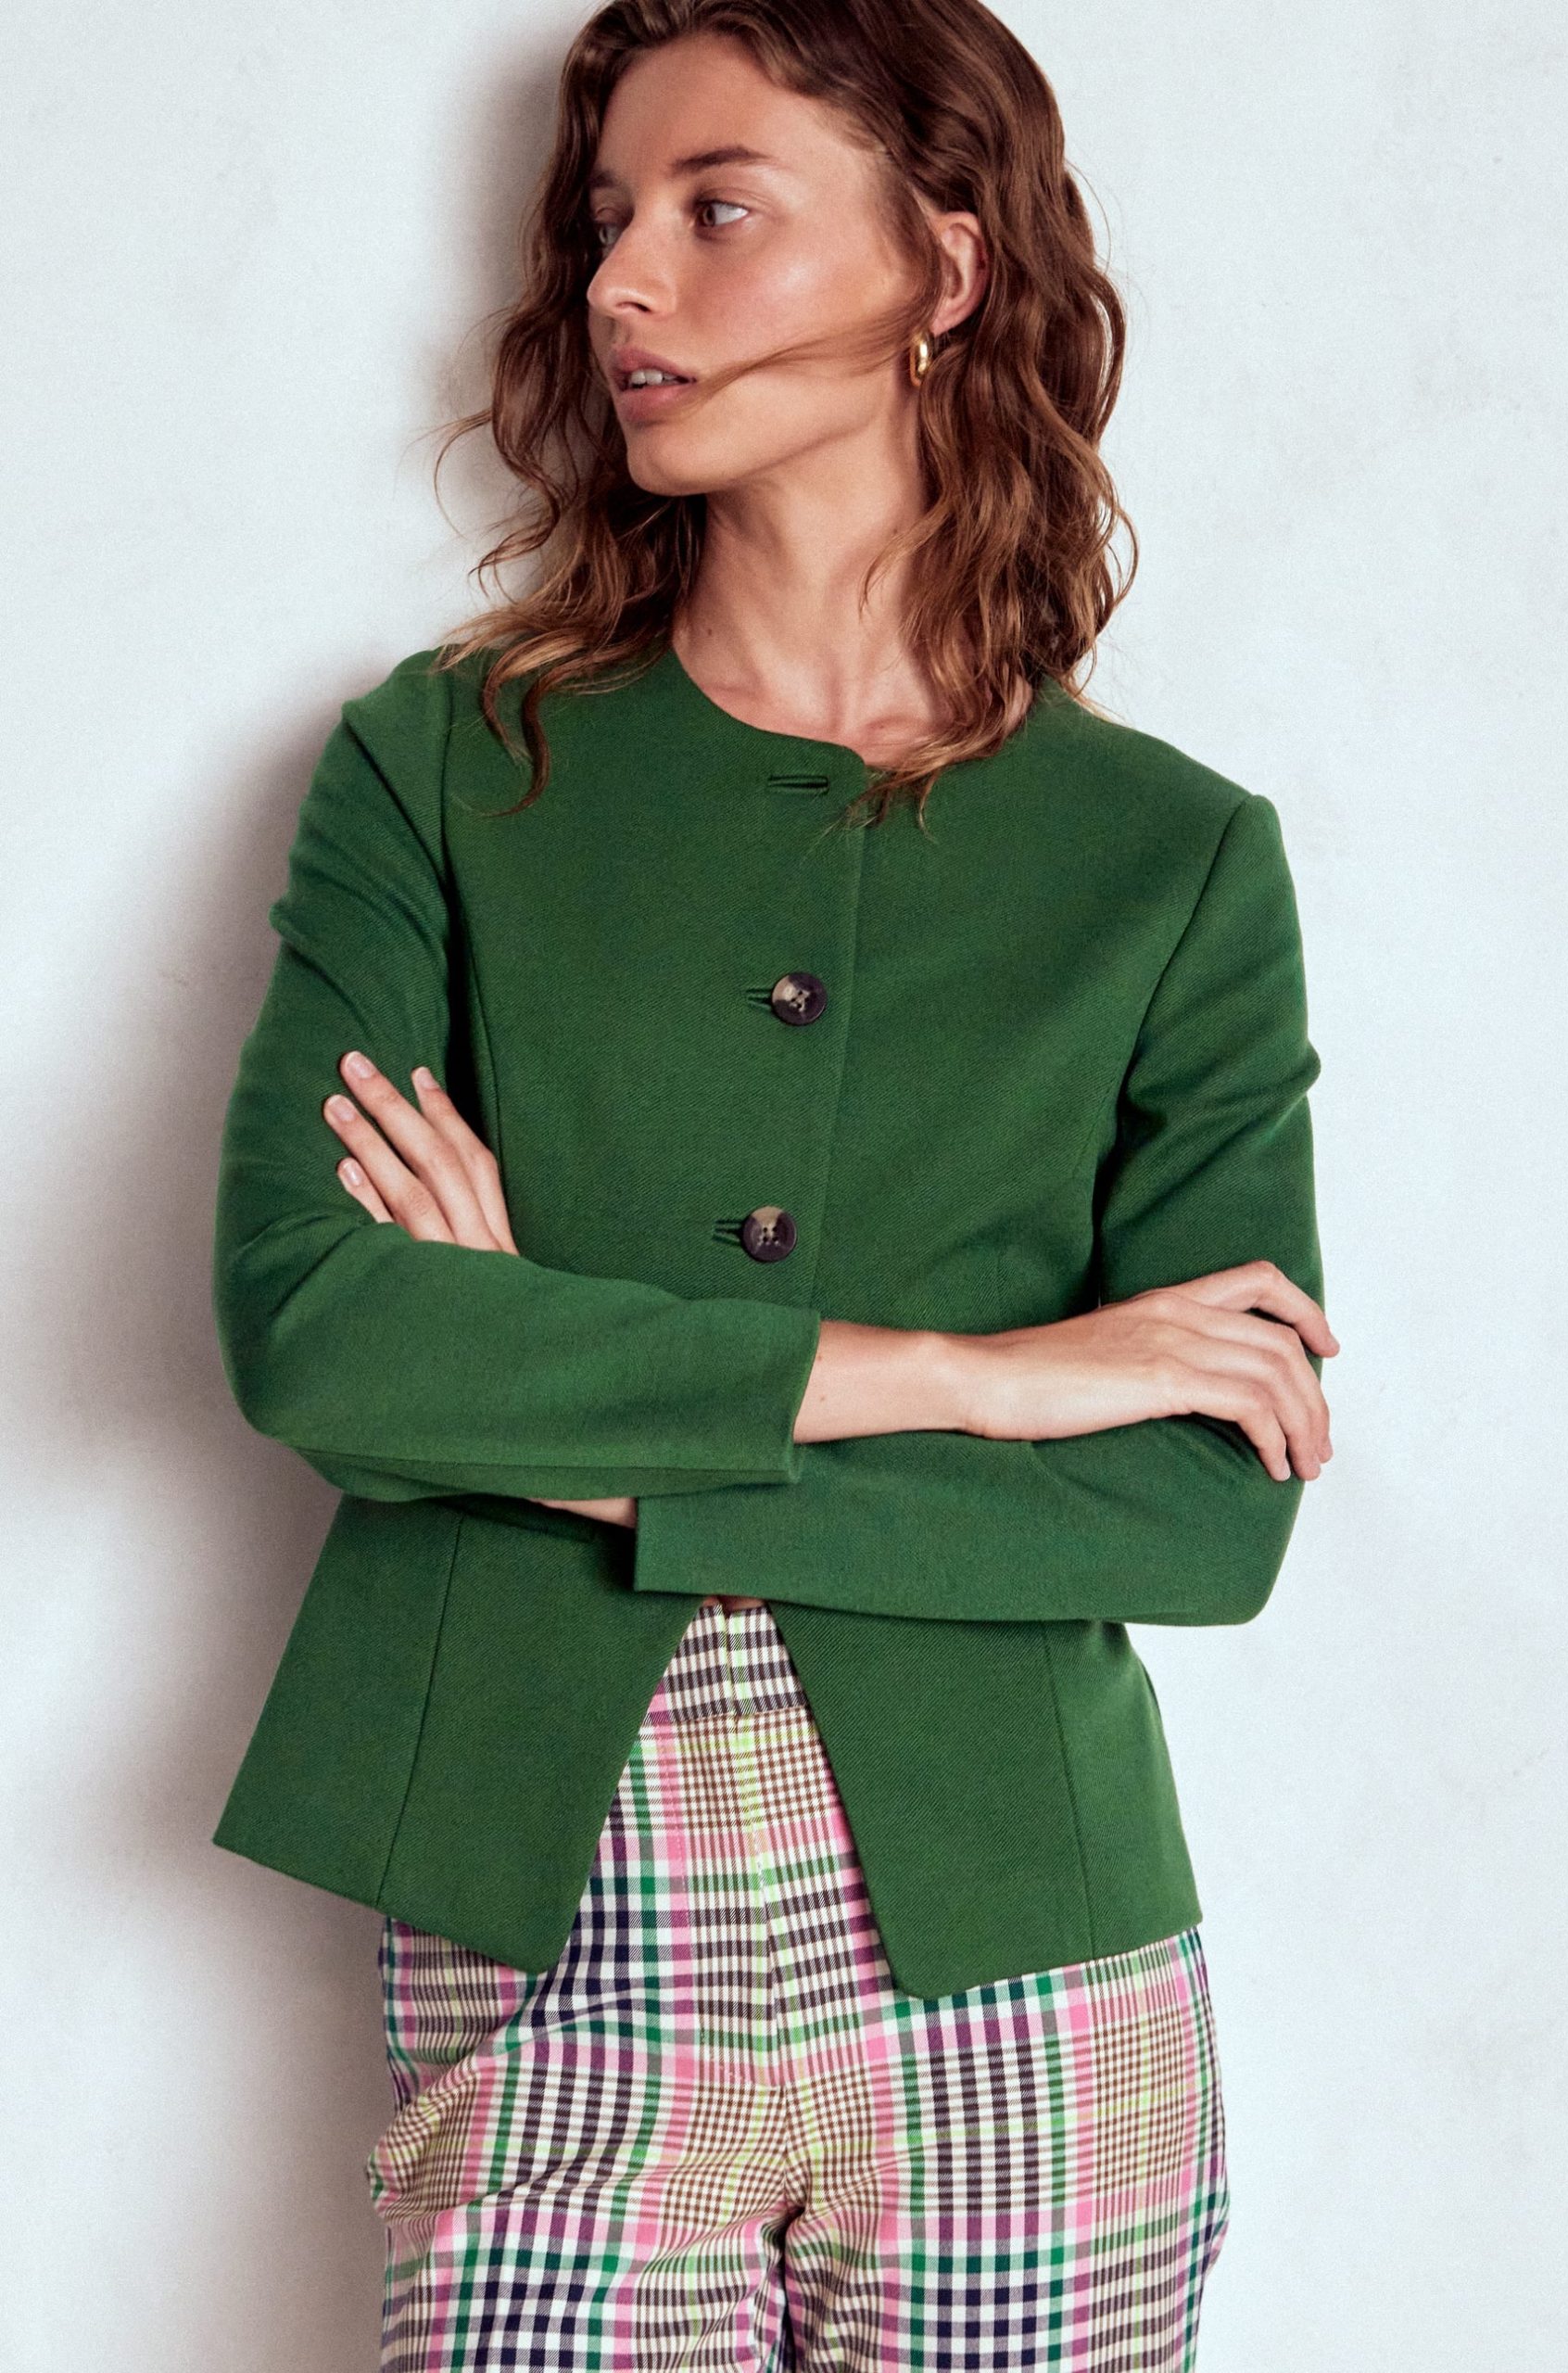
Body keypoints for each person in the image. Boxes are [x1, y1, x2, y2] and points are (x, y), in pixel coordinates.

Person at [209, 3, 1338, 2366]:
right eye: (608, 219)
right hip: (553, 1929)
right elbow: (321, 1331)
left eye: (718, 209)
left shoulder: (1168, 863)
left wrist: (559, 1410)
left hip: (1028, 1964)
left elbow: (1201, 1501)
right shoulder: (449, 766)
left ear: (947, 267)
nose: (625, 278)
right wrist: (982, 1375)